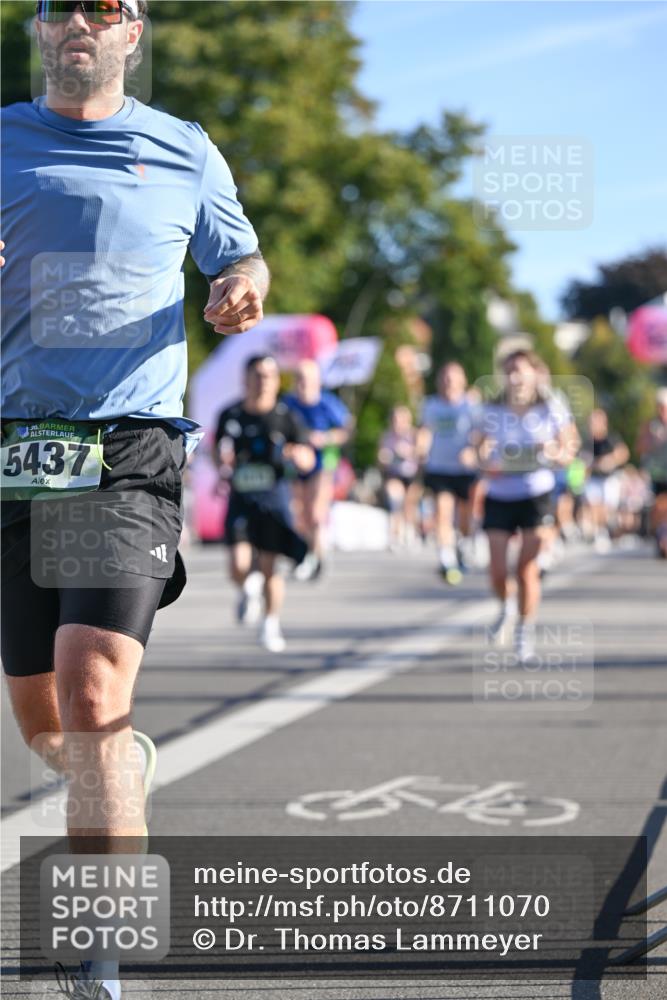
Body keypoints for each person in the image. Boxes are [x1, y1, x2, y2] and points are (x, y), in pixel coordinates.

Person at [0, 3, 268, 996]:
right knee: (45, 721)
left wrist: (241, 285)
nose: (79, 18)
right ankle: (113, 770)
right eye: (59, 3)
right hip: (17, 447)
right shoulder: (2, 141)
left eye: (103, 5)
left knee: (92, 691)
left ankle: (97, 962)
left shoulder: (183, 150)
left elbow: (241, 256)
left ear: (133, 34)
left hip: (129, 444)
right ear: (37, 31)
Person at [478, 351, 579, 662]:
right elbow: (478, 448)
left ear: (534, 374)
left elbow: (569, 448)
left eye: (520, 371)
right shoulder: (493, 407)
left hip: (536, 493)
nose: (514, 378)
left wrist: (552, 452)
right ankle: (507, 605)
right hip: (499, 493)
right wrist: (487, 462)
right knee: (497, 570)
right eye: (508, 372)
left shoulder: (551, 405)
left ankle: (525, 631)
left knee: (525, 569)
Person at [213, 356, 315, 653]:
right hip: (242, 498)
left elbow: (308, 457)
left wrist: (298, 456)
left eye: (270, 375)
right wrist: (222, 461)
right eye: (257, 375)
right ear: (245, 379)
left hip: (274, 499)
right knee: (238, 564)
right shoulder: (230, 414)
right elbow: (217, 453)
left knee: (271, 565)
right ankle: (247, 587)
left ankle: (271, 624)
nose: (264, 380)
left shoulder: (287, 416)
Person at [283, 360, 353, 579]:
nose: (304, 384)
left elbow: (346, 429)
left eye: (308, 379)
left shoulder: (328, 403)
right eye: (300, 378)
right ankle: (308, 553)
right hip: (295, 464)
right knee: (299, 512)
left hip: (323, 463)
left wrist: (326, 438)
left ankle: (314, 556)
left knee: (315, 512)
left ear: (317, 381)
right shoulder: (288, 404)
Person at [418, 362, 480, 583]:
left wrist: (472, 450)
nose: (449, 382)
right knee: (442, 512)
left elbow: (479, 434)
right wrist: (421, 450)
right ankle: (446, 558)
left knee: (465, 517)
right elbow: (425, 430)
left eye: (453, 378)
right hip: (439, 468)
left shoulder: (471, 406)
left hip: (464, 469)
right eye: (445, 378)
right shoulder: (430, 405)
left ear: (462, 381)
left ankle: (463, 544)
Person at [580, 409, 629, 551]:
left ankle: (607, 530)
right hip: (593, 479)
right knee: (594, 505)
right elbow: (583, 461)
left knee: (607, 508)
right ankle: (599, 533)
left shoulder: (611, 438)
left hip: (609, 479)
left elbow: (623, 453)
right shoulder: (587, 441)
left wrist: (610, 460)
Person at [377, 405, 421, 549]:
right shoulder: (387, 436)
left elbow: (423, 453)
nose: (398, 423)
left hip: (412, 475)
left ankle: (410, 531)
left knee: (409, 505)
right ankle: (394, 534)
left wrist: (409, 452)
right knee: (396, 500)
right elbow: (380, 457)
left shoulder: (415, 435)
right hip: (394, 474)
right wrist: (384, 457)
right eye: (395, 419)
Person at [637, 387, 667, 557]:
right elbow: (640, 448)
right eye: (660, 407)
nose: (662, 411)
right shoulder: (650, 426)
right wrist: (652, 441)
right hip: (657, 473)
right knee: (659, 506)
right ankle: (661, 536)